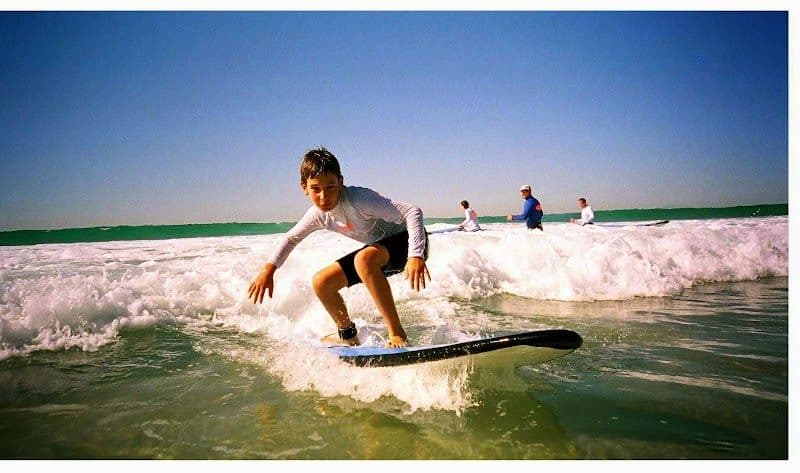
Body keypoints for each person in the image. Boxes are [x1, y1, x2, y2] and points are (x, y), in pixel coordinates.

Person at [247, 147, 430, 348]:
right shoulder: (318, 214)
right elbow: (291, 238)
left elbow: (413, 212)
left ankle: (397, 334)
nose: (324, 197)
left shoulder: (359, 200)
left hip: (411, 242)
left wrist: (415, 255)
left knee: (364, 259)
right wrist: (268, 270)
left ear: (341, 182)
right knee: (322, 282)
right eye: (315, 189)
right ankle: (348, 336)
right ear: (304, 187)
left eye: (331, 187)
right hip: (378, 254)